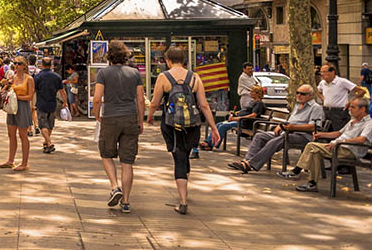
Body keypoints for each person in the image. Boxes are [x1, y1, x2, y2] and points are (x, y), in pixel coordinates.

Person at [147, 45, 220, 215]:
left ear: (168, 61)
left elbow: (155, 102)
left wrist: (150, 116)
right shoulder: (195, 77)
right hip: (192, 124)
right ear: (184, 61)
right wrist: (214, 127)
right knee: (185, 154)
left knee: (178, 157)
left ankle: (183, 201)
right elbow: (204, 104)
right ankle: (184, 184)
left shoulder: (163, 77)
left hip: (171, 124)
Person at [280, 98, 372, 192]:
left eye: (353, 107)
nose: (349, 109)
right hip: (337, 147)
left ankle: (296, 171)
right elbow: (338, 133)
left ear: (362, 109)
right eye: (350, 107)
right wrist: (321, 134)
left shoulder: (370, 124)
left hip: (349, 151)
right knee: (315, 152)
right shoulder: (352, 121)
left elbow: (362, 139)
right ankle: (312, 183)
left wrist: (341, 142)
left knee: (311, 146)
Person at [93, 42, 144, 213]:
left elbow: (97, 98)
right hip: (130, 118)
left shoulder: (103, 73)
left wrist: (96, 115)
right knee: (127, 162)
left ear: (109, 56)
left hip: (110, 117)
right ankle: (127, 202)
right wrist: (140, 120)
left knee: (106, 154)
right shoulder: (135, 73)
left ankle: (115, 187)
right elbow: (140, 99)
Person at [228, 84, 324, 173]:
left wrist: (292, 127)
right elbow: (290, 122)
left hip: (303, 136)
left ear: (310, 95)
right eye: (297, 93)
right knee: (260, 136)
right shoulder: (297, 105)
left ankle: (250, 164)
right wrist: (281, 125)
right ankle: (246, 161)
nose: (299, 95)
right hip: (287, 132)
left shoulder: (316, 108)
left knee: (276, 140)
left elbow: (314, 127)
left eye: (302, 94)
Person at [201, 86, 267, 150]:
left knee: (223, 126)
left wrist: (236, 118)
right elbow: (246, 111)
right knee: (219, 124)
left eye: (252, 92)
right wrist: (236, 112)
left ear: (257, 94)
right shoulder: (252, 102)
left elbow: (253, 115)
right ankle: (207, 142)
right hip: (240, 120)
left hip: (246, 123)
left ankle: (212, 145)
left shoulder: (259, 103)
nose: (250, 93)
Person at [0, 56, 34, 171]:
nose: (17, 65)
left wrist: (17, 97)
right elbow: (3, 90)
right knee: (11, 134)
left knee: (23, 135)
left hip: (22, 107)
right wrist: (5, 84)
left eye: (19, 63)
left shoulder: (29, 79)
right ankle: (10, 160)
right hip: (11, 108)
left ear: (24, 66)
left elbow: (30, 96)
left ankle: (24, 163)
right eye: (15, 63)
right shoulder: (12, 77)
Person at [35, 57, 68, 154]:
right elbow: (62, 91)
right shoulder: (56, 77)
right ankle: (46, 143)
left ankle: (48, 142)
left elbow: (33, 91)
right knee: (50, 125)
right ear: (51, 65)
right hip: (53, 104)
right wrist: (65, 102)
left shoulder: (38, 77)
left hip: (41, 104)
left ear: (42, 65)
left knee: (43, 125)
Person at [316, 64, 357, 131]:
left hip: (339, 112)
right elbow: (318, 91)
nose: (322, 74)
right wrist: (323, 99)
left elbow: (361, 91)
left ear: (332, 72)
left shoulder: (342, 81)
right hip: (326, 110)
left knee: (339, 131)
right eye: (321, 72)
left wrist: (351, 102)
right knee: (326, 130)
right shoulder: (322, 83)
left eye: (325, 72)